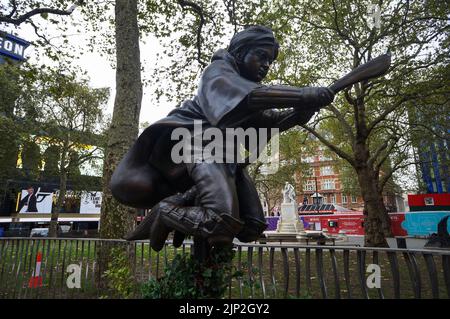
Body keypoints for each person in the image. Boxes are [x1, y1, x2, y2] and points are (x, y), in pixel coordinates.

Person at [111, 25, 334, 251]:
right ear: (240, 52)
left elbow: (266, 122)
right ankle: (166, 211)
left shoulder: (247, 90)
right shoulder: (217, 73)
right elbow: (252, 97)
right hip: (199, 146)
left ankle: (189, 215)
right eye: (262, 56)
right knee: (220, 221)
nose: (267, 65)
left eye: (270, 61)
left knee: (253, 226)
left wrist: (299, 114)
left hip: (227, 157)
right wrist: (303, 95)